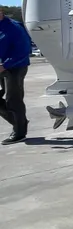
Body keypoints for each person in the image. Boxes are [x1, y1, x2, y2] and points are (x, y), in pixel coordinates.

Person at [0, 8, 31, 144]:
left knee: (13, 100)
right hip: (2, 67)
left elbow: (24, 50)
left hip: (15, 68)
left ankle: (19, 133)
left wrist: (5, 65)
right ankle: (20, 122)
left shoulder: (14, 27)